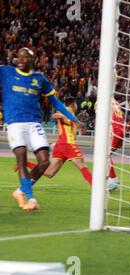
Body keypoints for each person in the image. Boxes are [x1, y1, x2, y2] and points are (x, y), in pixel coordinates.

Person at [0, 47, 83, 211]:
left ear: (33, 60)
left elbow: (55, 101)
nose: (21, 60)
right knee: (22, 160)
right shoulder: (6, 72)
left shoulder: (40, 79)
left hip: (34, 124)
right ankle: (30, 198)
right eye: (19, 57)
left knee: (45, 161)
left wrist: (74, 119)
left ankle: (20, 191)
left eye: (25, 57)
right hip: (15, 123)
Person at [42, 97, 92, 185]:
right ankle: (97, 188)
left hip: (60, 145)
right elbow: (54, 115)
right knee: (82, 165)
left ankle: (25, 164)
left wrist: (79, 126)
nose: (77, 106)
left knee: (49, 173)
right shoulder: (66, 110)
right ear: (73, 104)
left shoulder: (72, 115)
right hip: (68, 144)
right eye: (76, 104)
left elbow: (71, 126)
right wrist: (68, 117)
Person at [107, 99, 125, 191]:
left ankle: (112, 181)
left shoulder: (101, 101)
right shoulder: (115, 102)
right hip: (121, 130)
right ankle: (113, 179)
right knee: (106, 156)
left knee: (105, 156)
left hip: (114, 131)